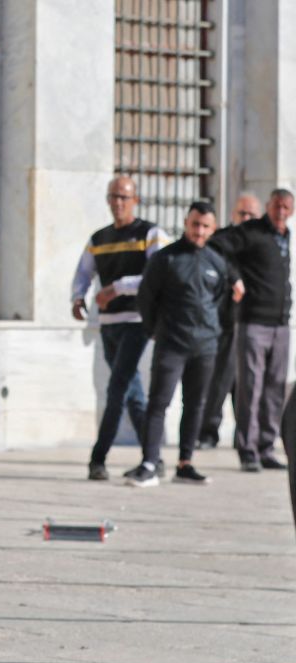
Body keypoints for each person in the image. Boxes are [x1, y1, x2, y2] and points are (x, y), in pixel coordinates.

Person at [127, 202, 232, 487]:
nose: (199, 231)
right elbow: (147, 298)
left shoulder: (216, 262)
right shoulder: (165, 259)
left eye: (205, 226)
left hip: (205, 345)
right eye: (195, 224)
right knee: (159, 402)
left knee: (196, 404)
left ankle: (186, 463)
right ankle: (149, 463)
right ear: (186, 223)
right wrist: (154, 330)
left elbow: (220, 300)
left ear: (213, 229)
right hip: (172, 343)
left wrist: (212, 331)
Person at [71, 176, 168, 480]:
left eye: (124, 197)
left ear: (135, 200)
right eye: (113, 197)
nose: (118, 203)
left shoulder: (150, 233)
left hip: (137, 322)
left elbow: (159, 275)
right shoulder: (99, 238)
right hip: (109, 323)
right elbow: (83, 273)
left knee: (117, 389)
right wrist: (77, 297)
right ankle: (153, 456)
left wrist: (118, 288)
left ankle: (97, 459)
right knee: (132, 393)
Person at [209, 188, 293, 471]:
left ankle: (266, 447)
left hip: (281, 324)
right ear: (268, 206)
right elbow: (216, 244)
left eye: (286, 207)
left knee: (275, 389)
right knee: (250, 388)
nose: (281, 212)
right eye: (276, 206)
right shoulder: (250, 231)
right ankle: (247, 449)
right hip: (253, 321)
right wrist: (234, 278)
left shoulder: (285, 236)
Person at [197, 193, 263, 450]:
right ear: (233, 214)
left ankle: (246, 437)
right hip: (225, 319)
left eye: (251, 215)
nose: (246, 219)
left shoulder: (263, 240)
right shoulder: (222, 239)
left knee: (248, 382)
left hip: (255, 320)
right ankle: (208, 432)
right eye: (242, 214)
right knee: (220, 377)